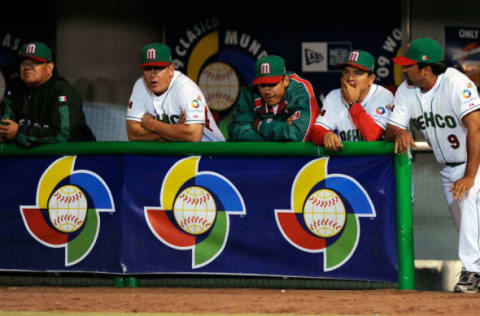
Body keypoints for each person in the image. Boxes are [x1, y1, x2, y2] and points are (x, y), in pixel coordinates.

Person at [385, 37, 480, 293]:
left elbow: (476, 128)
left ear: (426, 68)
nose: (404, 69)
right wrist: (399, 133)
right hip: (448, 168)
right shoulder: (407, 89)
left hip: (474, 162)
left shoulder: (456, 83)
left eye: (409, 65)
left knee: (469, 202)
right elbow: (391, 128)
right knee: (468, 227)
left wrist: (470, 176)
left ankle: (471, 273)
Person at [0, 42, 95, 146]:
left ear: (49, 68)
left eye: (35, 62)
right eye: (24, 62)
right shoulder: (15, 88)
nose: (27, 67)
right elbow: (5, 123)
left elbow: (63, 135)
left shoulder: (61, 90)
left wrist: (19, 132)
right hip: (34, 159)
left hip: (78, 158)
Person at [126, 42, 224, 142]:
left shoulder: (185, 88)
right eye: (147, 69)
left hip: (210, 150)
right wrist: (175, 129)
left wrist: (152, 124)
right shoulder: (140, 85)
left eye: (158, 68)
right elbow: (133, 135)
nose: (152, 74)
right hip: (175, 152)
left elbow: (193, 136)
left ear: (171, 70)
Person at [311, 50, 393, 150]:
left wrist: (353, 104)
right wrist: (325, 135)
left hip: (375, 162)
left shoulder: (383, 95)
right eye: (346, 72)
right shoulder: (334, 96)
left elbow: (373, 135)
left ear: (371, 79)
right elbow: (316, 129)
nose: (350, 78)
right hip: (347, 162)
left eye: (357, 73)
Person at [228, 55, 319, 141]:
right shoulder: (251, 92)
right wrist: (282, 129)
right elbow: (235, 130)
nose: (267, 91)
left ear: (285, 80)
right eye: (263, 85)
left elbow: (299, 134)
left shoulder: (299, 91)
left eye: (272, 84)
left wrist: (260, 125)